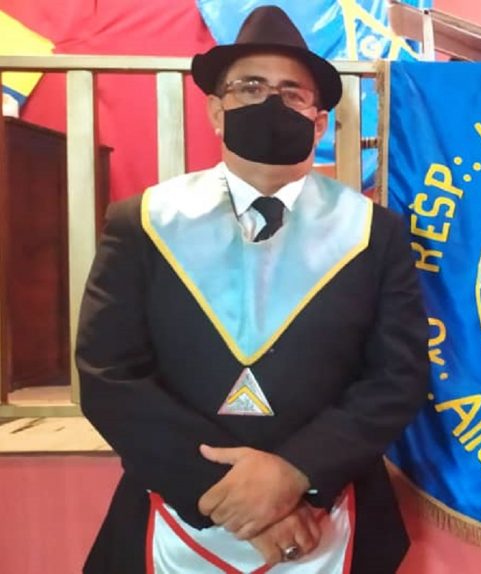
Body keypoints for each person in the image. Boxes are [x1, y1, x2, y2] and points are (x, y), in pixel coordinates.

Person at [75, 5, 428, 573]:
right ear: (216, 112)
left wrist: (293, 474)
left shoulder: (373, 233)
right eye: (251, 88)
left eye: (292, 94)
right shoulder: (142, 222)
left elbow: (397, 377)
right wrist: (237, 500)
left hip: (332, 508)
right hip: (172, 510)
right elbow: (109, 376)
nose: (271, 103)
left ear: (318, 123)